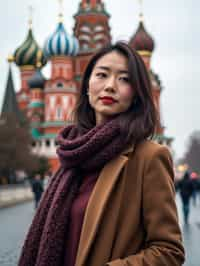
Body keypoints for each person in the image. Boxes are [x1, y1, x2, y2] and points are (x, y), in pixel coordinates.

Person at [18, 42, 185, 266]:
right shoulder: (72, 155)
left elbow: (169, 251)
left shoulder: (149, 157)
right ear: (87, 86)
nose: (110, 86)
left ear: (136, 94)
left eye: (124, 79)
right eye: (102, 75)